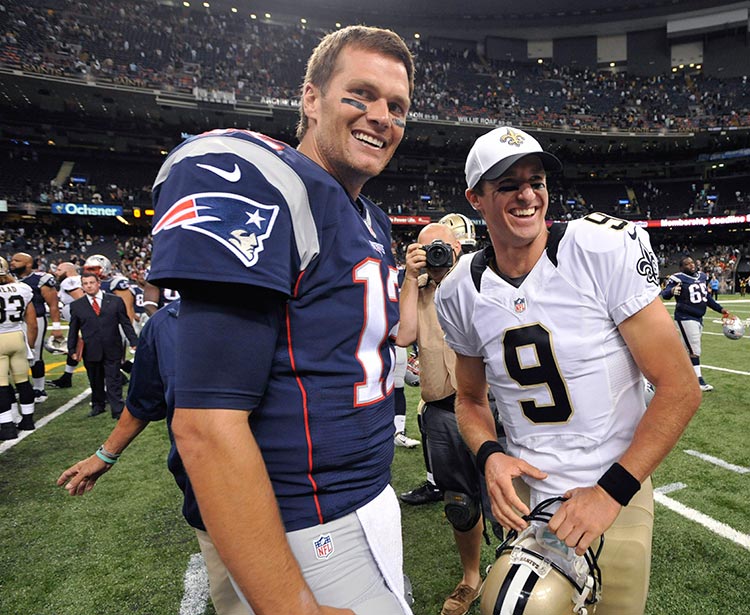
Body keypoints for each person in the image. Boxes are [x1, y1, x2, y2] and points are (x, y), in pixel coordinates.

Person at [147, 25, 414, 615]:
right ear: (311, 99)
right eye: (360, 95)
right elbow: (205, 425)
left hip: (368, 494)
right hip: (304, 518)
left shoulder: (368, 217)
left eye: (397, 107)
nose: (381, 116)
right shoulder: (262, 179)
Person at [434, 125, 702, 615]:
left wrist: (609, 493)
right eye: (507, 184)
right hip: (528, 498)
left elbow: (680, 387)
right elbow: (470, 400)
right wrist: (490, 455)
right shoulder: (460, 290)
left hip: (613, 485)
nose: (527, 195)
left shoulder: (595, 249)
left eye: (536, 180)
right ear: (476, 197)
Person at [57, 300, 247, 615]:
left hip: (297, 490)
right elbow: (145, 399)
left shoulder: (285, 306)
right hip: (210, 492)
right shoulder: (165, 323)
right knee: (234, 602)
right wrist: (106, 454)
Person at [397, 220, 486, 615]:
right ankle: (471, 577)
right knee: (458, 502)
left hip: (488, 405)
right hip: (441, 410)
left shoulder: (480, 277)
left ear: (459, 249)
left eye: (442, 247)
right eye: (426, 247)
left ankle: (518, 567)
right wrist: (410, 279)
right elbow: (403, 336)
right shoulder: (415, 289)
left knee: (513, 497)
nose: (435, 254)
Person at [67, 272, 138, 419]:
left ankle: (118, 409)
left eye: (91, 282)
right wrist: (71, 349)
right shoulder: (76, 306)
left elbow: (125, 323)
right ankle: (98, 405)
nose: (89, 286)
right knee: (95, 379)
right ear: (82, 287)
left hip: (113, 347)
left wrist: (134, 341)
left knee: (114, 379)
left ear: (99, 283)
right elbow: (73, 329)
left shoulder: (115, 301)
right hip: (91, 349)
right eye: (85, 284)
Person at [661, 256, 733, 392]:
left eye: (692, 262)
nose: (691, 265)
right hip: (685, 317)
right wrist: (671, 291)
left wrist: (720, 309)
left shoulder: (701, 277)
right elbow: (664, 294)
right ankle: (698, 380)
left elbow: (706, 297)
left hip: (698, 317)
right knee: (694, 350)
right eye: (687, 264)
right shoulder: (678, 278)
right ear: (681, 268)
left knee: (684, 350)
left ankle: (671, 375)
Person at [9, 251, 62, 403]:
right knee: (15, 356)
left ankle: (39, 388)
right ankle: (22, 386)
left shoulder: (41, 279)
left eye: (17, 260)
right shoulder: (7, 279)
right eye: (12, 260)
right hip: (13, 323)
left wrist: (56, 327)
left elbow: (53, 305)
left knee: (34, 355)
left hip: (35, 320)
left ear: (29, 264)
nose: (12, 263)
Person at [0, 257, 37, 440]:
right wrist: (30, 345)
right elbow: (32, 321)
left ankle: (7, 426)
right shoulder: (22, 289)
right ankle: (28, 419)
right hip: (17, 337)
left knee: (1, 385)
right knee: (22, 380)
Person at [47, 262, 84, 389]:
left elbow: (83, 301)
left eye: (59, 269)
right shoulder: (78, 280)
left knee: (93, 353)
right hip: (79, 322)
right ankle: (66, 377)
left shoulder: (69, 281)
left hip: (83, 322)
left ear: (68, 271)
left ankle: (126, 372)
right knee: (73, 348)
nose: (56, 272)